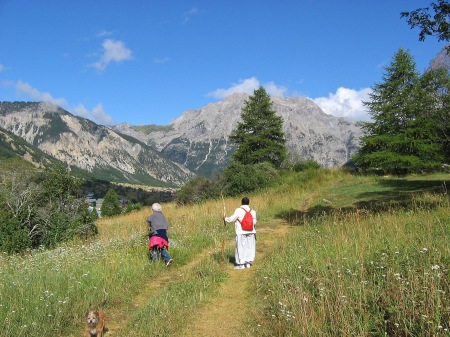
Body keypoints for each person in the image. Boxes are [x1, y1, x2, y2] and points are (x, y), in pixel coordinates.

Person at [224, 197, 257, 269]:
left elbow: (232, 219)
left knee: (240, 247)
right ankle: (248, 263)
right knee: (250, 246)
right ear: (249, 202)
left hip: (241, 231)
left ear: (241, 202)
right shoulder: (253, 211)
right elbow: (254, 222)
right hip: (251, 231)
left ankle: (241, 264)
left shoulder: (238, 210)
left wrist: (225, 219)